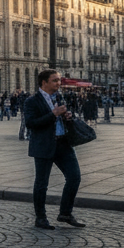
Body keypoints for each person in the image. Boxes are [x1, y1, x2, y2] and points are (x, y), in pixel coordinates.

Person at [23, 69, 84, 229]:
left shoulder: (59, 97)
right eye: (55, 80)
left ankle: (65, 213)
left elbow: (63, 116)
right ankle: (41, 218)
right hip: (44, 145)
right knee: (42, 183)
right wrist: (53, 114)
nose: (59, 83)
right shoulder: (32, 101)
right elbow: (30, 123)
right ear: (44, 82)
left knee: (74, 177)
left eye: (59, 80)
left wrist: (68, 116)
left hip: (63, 143)